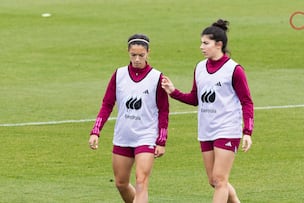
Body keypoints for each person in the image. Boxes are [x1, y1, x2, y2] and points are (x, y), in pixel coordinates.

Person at [161, 19, 254, 203]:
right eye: (201, 43)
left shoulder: (234, 70)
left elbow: (247, 102)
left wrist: (247, 132)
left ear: (218, 45)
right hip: (206, 130)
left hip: (227, 129)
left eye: (206, 43)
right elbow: (195, 99)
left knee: (220, 179)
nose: (201, 47)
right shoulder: (200, 68)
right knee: (214, 180)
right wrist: (173, 92)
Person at [88, 34, 169, 203]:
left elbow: (163, 110)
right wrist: (96, 131)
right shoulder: (119, 75)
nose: (137, 59)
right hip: (123, 136)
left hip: (146, 136)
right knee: (121, 183)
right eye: (133, 55)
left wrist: (161, 140)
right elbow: (107, 104)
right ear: (128, 53)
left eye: (141, 55)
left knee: (141, 181)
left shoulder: (157, 78)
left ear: (148, 53)